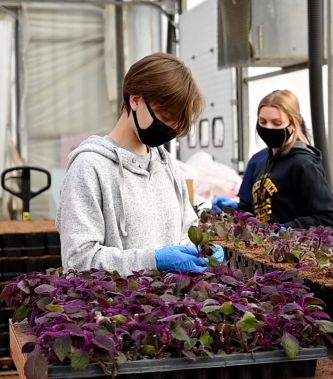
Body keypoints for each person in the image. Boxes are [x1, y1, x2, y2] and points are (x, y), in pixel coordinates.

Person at [56, 52, 224, 275]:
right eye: (165, 115)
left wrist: (200, 250)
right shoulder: (90, 167)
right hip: (115, 307)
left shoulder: (167, 166)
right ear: (135, 99)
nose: (171, 129)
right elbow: (78, 259)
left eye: (178, 123)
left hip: (170, 307)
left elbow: (184, 234)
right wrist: (151, 260)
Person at [212, 90, 333, 229]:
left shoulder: (303, 164)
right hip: (265, 247)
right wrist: (234, 210)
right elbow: (256, 211)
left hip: (292, 249)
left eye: (277, 123)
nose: (268, 127)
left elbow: (330, 217)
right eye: (263, 121)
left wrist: (287, 229)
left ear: (293, 124)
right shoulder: (261, 162)